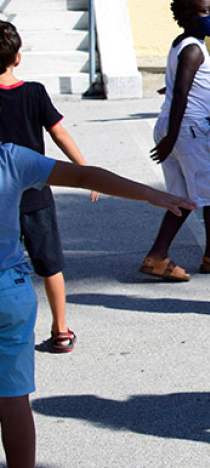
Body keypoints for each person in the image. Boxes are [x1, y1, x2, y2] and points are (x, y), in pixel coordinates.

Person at [1, 143, 196, 468]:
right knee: (13, 400)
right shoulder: (10, 157)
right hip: (10, 290)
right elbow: (82, 176)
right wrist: (150, 194)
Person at [141, 0, 210, 282]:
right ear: (187, 15)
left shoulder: (181, 43)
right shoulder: (192, 50)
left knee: (183, 195)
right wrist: (174, 137)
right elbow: (180, 95)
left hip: (184, 127)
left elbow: (177, 87)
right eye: (205, 11)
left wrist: (201, 126)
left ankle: (157, 256)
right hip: (185, 129)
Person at [0, 22, 96, 354]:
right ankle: (60, 329)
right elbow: (59, 133)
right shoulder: (35, 92)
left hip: (2, 197)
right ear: (18, 57)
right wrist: (84, 168)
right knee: (50, 264)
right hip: (36, 194)